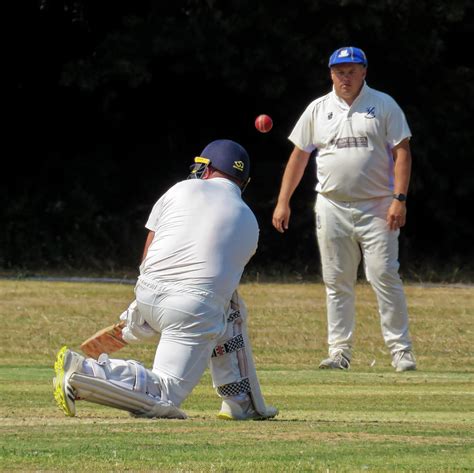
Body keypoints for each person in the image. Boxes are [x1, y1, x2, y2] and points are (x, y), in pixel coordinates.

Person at [53, 139, 278, 420]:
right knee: (165, 395)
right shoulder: (249, 220)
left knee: (232, 309)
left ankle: (241, 400)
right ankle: (87, 371)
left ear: (205, 169)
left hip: (148, 293)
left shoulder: (179, 189)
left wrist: (141, 307)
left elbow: (149, 255)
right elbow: (220, 279)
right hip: (192, 308)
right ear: (243, 182)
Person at [272, 46, 416, 372]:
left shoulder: (383, 105)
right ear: (331, 74)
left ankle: (401, 353)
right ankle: (339, 353)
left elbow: (402, 152)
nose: (345, 77)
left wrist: (399, 198)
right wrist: (283, 201)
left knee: (383, 275)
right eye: (339, 71)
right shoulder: (318, 109)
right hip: (331, 204)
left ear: (364, 71)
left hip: (378, 205)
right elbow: (299, 156)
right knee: (337, 281)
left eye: (352, 71)